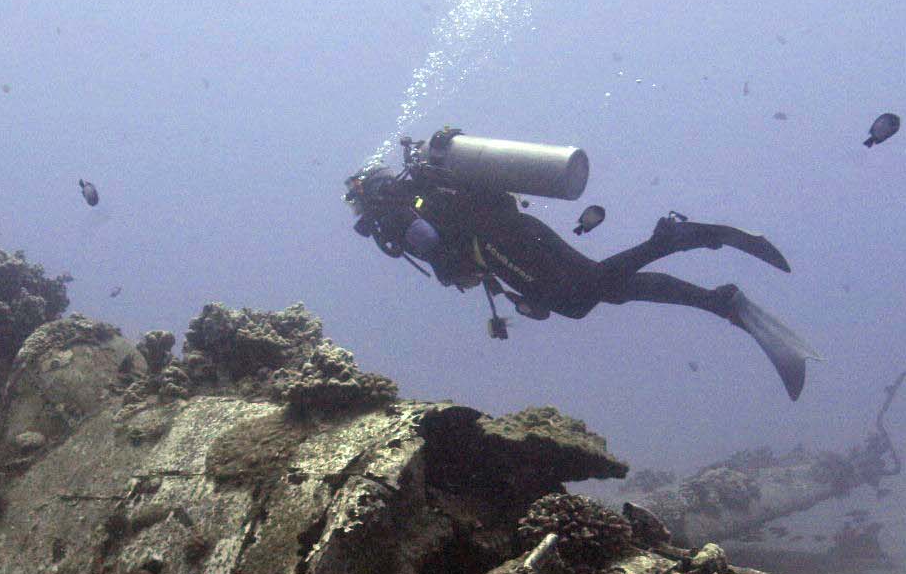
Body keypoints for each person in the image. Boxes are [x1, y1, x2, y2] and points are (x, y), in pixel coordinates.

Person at [345, 144, 816, 400]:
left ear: (368, 197)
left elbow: (442, 254)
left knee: (582, 295)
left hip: (503, 243)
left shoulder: (398, 213)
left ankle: (675, 240)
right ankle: (720, 301)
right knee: (606, 290)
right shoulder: (422, 190)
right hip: (513, 235)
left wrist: (455, 271)